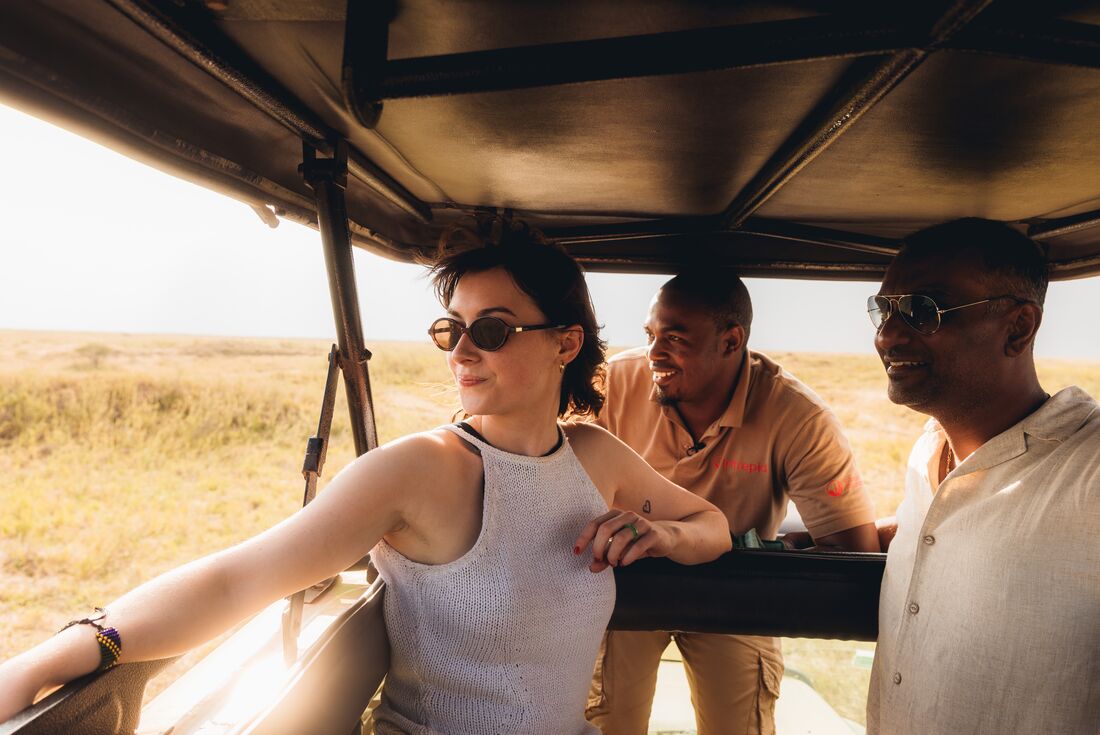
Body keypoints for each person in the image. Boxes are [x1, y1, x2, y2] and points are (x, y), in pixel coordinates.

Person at [0, 222, 732, 733]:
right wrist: (51, 656)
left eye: (494, 329)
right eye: (453, 328)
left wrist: (658, 530)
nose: (461, 351)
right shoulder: (420, 469)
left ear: (565, 342)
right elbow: (238, 578)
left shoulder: (594, 456)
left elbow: (713, 527)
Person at [585, 270, 879, 735]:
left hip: (737, 586)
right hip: (626, 581)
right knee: (607, 722)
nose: (654, 354)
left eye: (675, 338)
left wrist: (780, 550)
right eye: (650, 335)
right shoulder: (613, 384)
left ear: (731, 340)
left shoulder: (798, 417)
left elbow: (853, 551)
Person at [866, 218, 1100, 734]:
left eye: (924, 310)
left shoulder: (1090, 470)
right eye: (883, 309)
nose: (888, 334)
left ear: (1018, 328)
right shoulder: (928, 454)